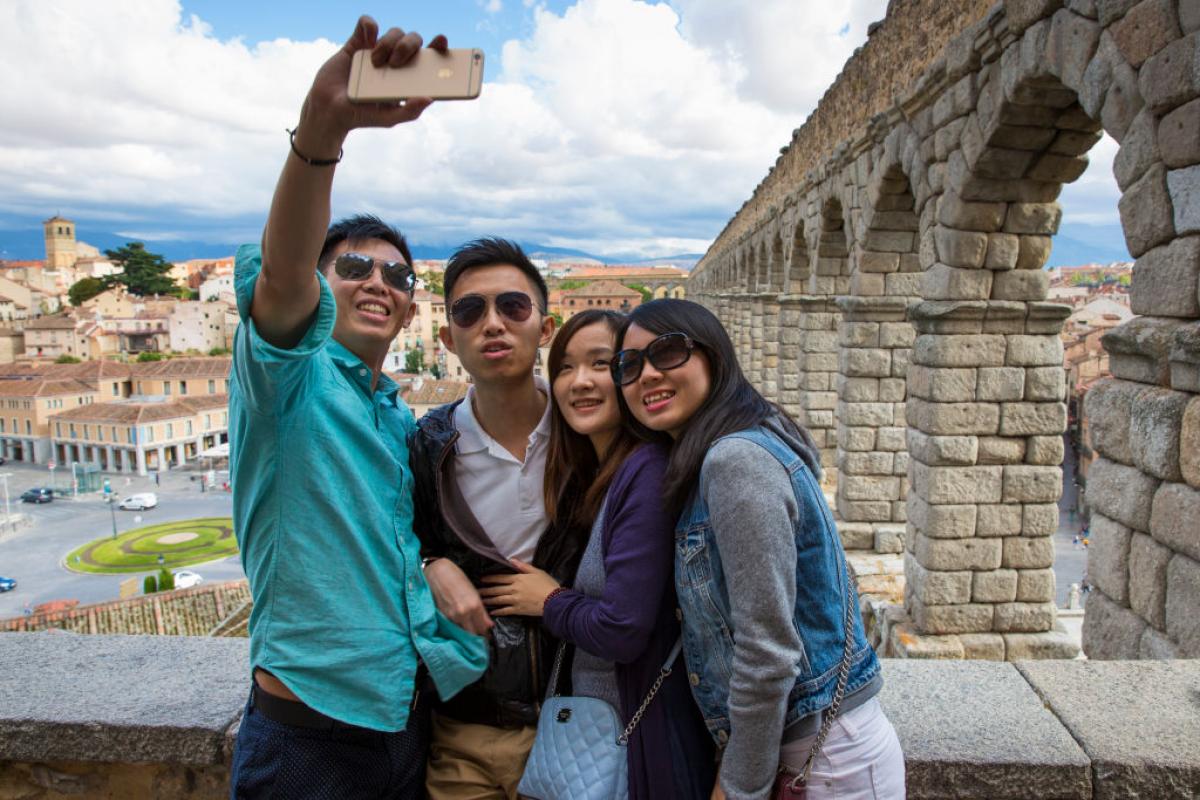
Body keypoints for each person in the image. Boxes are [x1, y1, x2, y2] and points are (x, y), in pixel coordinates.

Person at [227, 17, 487, 799]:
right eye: (353, 266)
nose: (379, 281)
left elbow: (380, 534)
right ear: (319, 282)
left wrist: (432, 561)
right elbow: (277, 287)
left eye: (399, 277)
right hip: (311, 738)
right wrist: (322, 131)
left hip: (402, 718)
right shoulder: (287, 382)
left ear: (411, 313)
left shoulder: (393, 416)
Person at [613, 299, 905, 800]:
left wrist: (738, 785)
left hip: (821, 761)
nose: (647, 374)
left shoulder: (735, 461)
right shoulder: (749, 436)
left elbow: (766, 650)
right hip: (811, 744)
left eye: (667, 352)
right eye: (629, 364)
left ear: (714, 356)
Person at [476, 309, 716, 800]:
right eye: (564, 367)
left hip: (634, 745)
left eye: (600, 364)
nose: (579, 382)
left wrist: (549, 600)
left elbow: (622, 629)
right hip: (604, 733)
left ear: (628, 376)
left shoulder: (644, 472)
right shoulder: (597, 475)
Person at [410, 238, 579, 799]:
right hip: (465, 734)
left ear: (546, 327)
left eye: (513, 306)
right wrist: (428, 563)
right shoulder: (427, 448)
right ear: (447, 337)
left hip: (581, 726)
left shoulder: (594, 438)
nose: (493, 324)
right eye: (469, 311)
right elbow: (385, 541)